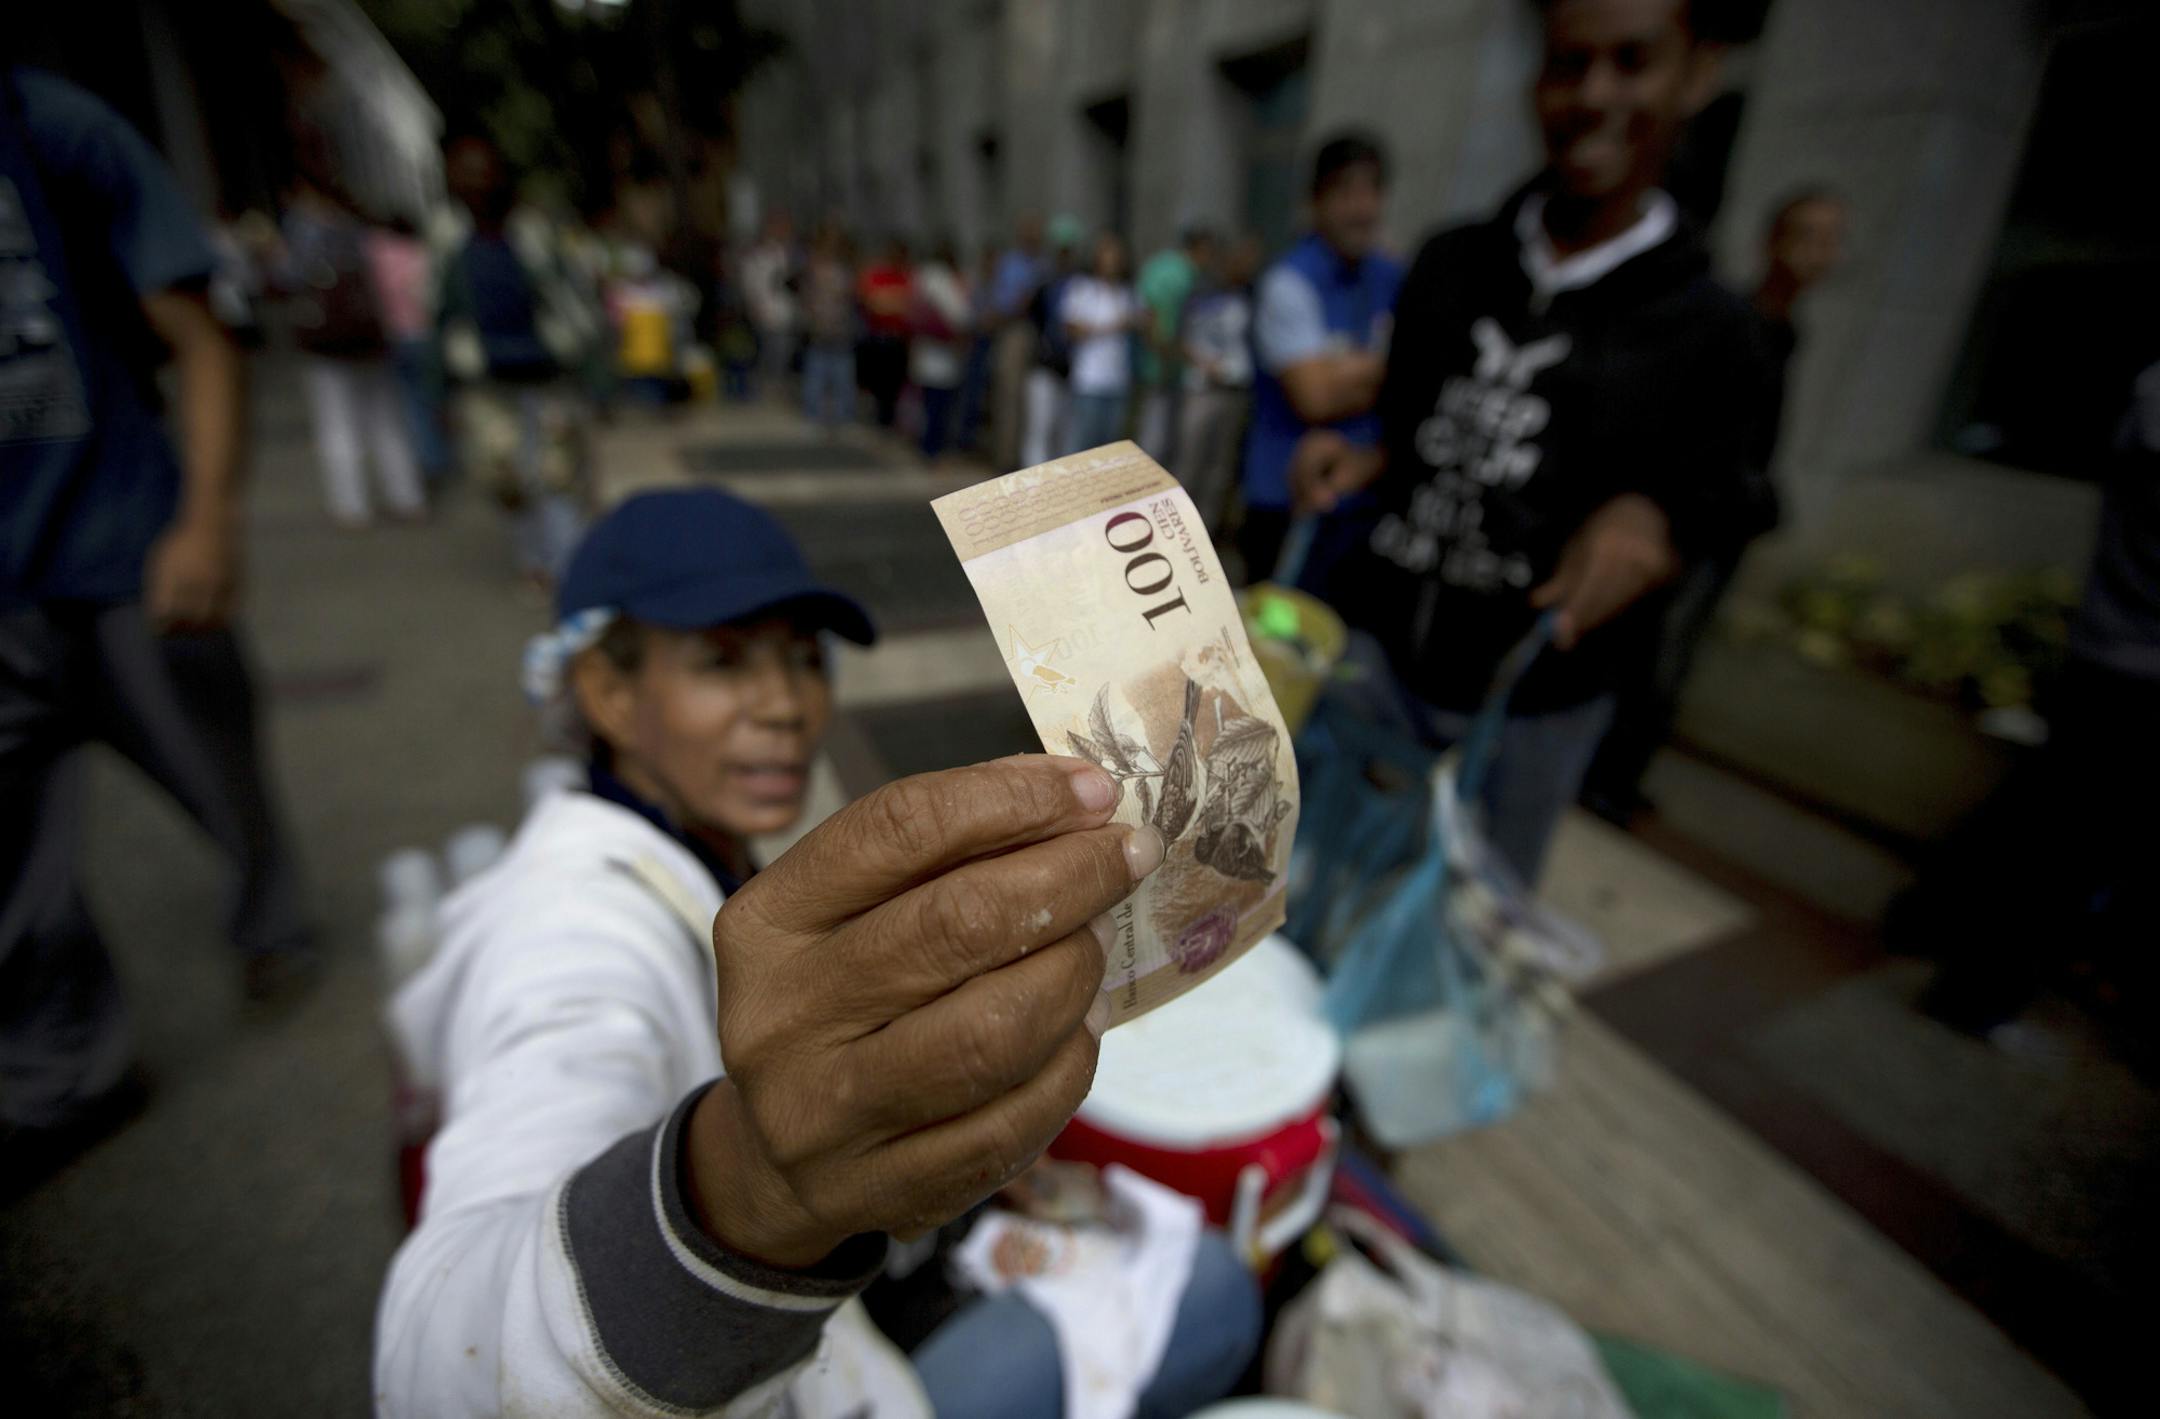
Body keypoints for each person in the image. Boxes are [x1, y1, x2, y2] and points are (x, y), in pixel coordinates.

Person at [374, 488, 1261, 1416]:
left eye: (805, 659)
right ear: (605, 689)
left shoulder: (697, 841)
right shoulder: (568, 929)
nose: (787, 705)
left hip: (841, 1328)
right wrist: (745, 1191)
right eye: (722, 662)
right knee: (1211, 1285)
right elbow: (440, 1363)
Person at [1291, 0, 1766, 885]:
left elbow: (1722, 498)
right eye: (1567, 64)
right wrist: (1360, 462)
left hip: (1534, 701)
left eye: (1633, 62)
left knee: (1460, 932)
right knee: (1309, 877)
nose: (1594, 96)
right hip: (1381, 653)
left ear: (1696, 72)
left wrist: (1649, 522)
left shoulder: (1719, 334)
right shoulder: (1448, 263)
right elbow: (1408, 428)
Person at [1, 68, 316, 1174]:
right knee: (15, 865)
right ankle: (61, 1079)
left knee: (214, 760)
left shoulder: (51, 126)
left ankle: (273, 922)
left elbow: (199, 336)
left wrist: (205, 520)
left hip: (123, 543)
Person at [1894, 362, 2160, 1038]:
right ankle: (1975, 991)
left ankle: (1925, 918)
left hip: (2110, 650)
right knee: (2067, 845)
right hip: (2135, 666)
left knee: (2039, 813)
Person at [1580, 185, 1846, 823]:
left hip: (1719, 525)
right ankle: (1606, 775)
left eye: (1830, 239)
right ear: (1773, 243)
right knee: (1654, 654)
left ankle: (1619, 772)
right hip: (1692, 522)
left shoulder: (1782, 330)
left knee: (1671, 654)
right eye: (1805, 236)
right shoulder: (1737, 326)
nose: (1819, 254)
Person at [436, 133, 603, 589]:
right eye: (464, 172)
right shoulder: (447, 242)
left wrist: (594, 373)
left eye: (482, 170)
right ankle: (534, 557)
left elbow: (575, 302)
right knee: (503, 476)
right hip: (486, 381)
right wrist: (439, 391)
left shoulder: (535, 236)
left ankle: (571, 571)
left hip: (546, 375)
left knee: (558, 475)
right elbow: (435, 317)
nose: (476, 182)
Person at [1241, 131, 1403, 582]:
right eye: (1346, 192)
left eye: (1371, 190)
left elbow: (1423, 372)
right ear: (1317, 201)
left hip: (1362, 498)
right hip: (1286, 500)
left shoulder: (1391, 275)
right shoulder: (1289, 283)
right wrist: (1387, 371)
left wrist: (1350, 370)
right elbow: (1315, 397)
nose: (1361, 207)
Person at [279, 175, 425, 528]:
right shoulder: (361, 234)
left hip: (328, 341)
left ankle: (351, 504)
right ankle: (405, 495)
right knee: (386, 420)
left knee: (337, 422)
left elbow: (289, 277)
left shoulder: (307, 233)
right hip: (369, 336)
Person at [1176, 232, 1264, 536]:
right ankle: (1177, 527)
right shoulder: (1202, 292)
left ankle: (1205, 531)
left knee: (1220, 467)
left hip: (1235, 389)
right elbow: (1180, 336)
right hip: (1202, 388)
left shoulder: (1254, 295)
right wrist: (1203, 363)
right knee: (1190, 459)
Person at [364, 215, 453, 486]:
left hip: (396, 336)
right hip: (425, 335)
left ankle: (428, 460)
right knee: (430, 399)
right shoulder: (422, 253)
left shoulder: (376, 252)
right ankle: (437, 457)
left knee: (410, 404)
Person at [1133, 225, 1217, 467]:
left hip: (1160, 366)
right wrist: (1192, 358)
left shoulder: (1162, 265)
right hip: (1163, 368)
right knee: (1154, 446)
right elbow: (1162, 327)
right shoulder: (1180, 277)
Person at [1061, 230, 1141, 455]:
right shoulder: (1083, 289)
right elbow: (1073, 329)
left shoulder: (1128, 294)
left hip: (1118, 381)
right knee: (1082, 446)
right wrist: (1115, 326)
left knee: (1109, 449)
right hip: (1090, 380)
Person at [987, 212, 1049, 470]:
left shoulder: (1043, 265)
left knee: (1033, 401)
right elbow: (1005, 302)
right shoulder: (1012, 264)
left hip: (1036, 334)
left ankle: (1025, 457)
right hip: (1014, 331)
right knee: (1009, 397)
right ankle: (1006, 458)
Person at [909, 237, 972, 462]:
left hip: (930, 352)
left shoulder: (922, 277)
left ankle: (928, 445)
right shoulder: (941, 279)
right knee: (938, 405)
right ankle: (931, 448)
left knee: (929, 403)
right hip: (940, 352)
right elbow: (959, 315)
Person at [799, 222, 857, 432]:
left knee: (842, 375)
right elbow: (807, 298)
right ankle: (813, 415)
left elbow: (851, 297)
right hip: (820, 329)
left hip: (841, 330)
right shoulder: (814, 268)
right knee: (817, 374)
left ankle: (844, 416)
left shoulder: (845, 269)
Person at [740, 210, 798, 398]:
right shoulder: (759, 255)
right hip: (767, 311)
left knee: (783, 351)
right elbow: (751, 283)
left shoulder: (790, 253)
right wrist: (754, 306)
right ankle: (764, 388)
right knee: (770, 351)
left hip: (788, 312)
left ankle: (775, 387)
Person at [857, 236, 913, 429]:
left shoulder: (908, 276)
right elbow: (873, 303)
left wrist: (889, 301)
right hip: (880, 337)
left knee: (897, 384)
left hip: (900, 338)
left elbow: (910, 305)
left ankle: (891, 420)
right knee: (879, 383)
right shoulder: (876, 275)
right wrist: (895, 302)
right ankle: (880, 419)